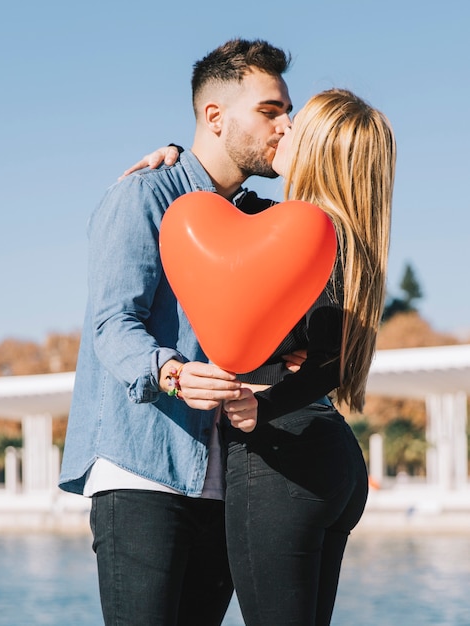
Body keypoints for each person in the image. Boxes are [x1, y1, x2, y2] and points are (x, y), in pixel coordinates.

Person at [132, 88, 396, 626]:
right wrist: (174, 155)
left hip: (279, 458)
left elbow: (325, 359)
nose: (281, 129)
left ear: (317, 151)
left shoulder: (300, 232)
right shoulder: (342, 239)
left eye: (294, 126)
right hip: (331, 456)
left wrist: (266, 405)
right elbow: (331, 357)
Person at [58, 38, 297, 625]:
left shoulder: (260, 218)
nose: (285, 126)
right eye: (271, 112)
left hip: (228, 485)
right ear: (214, 117)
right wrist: (172, 372)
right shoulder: (143, 194)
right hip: (142, 472)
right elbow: (113, 324)